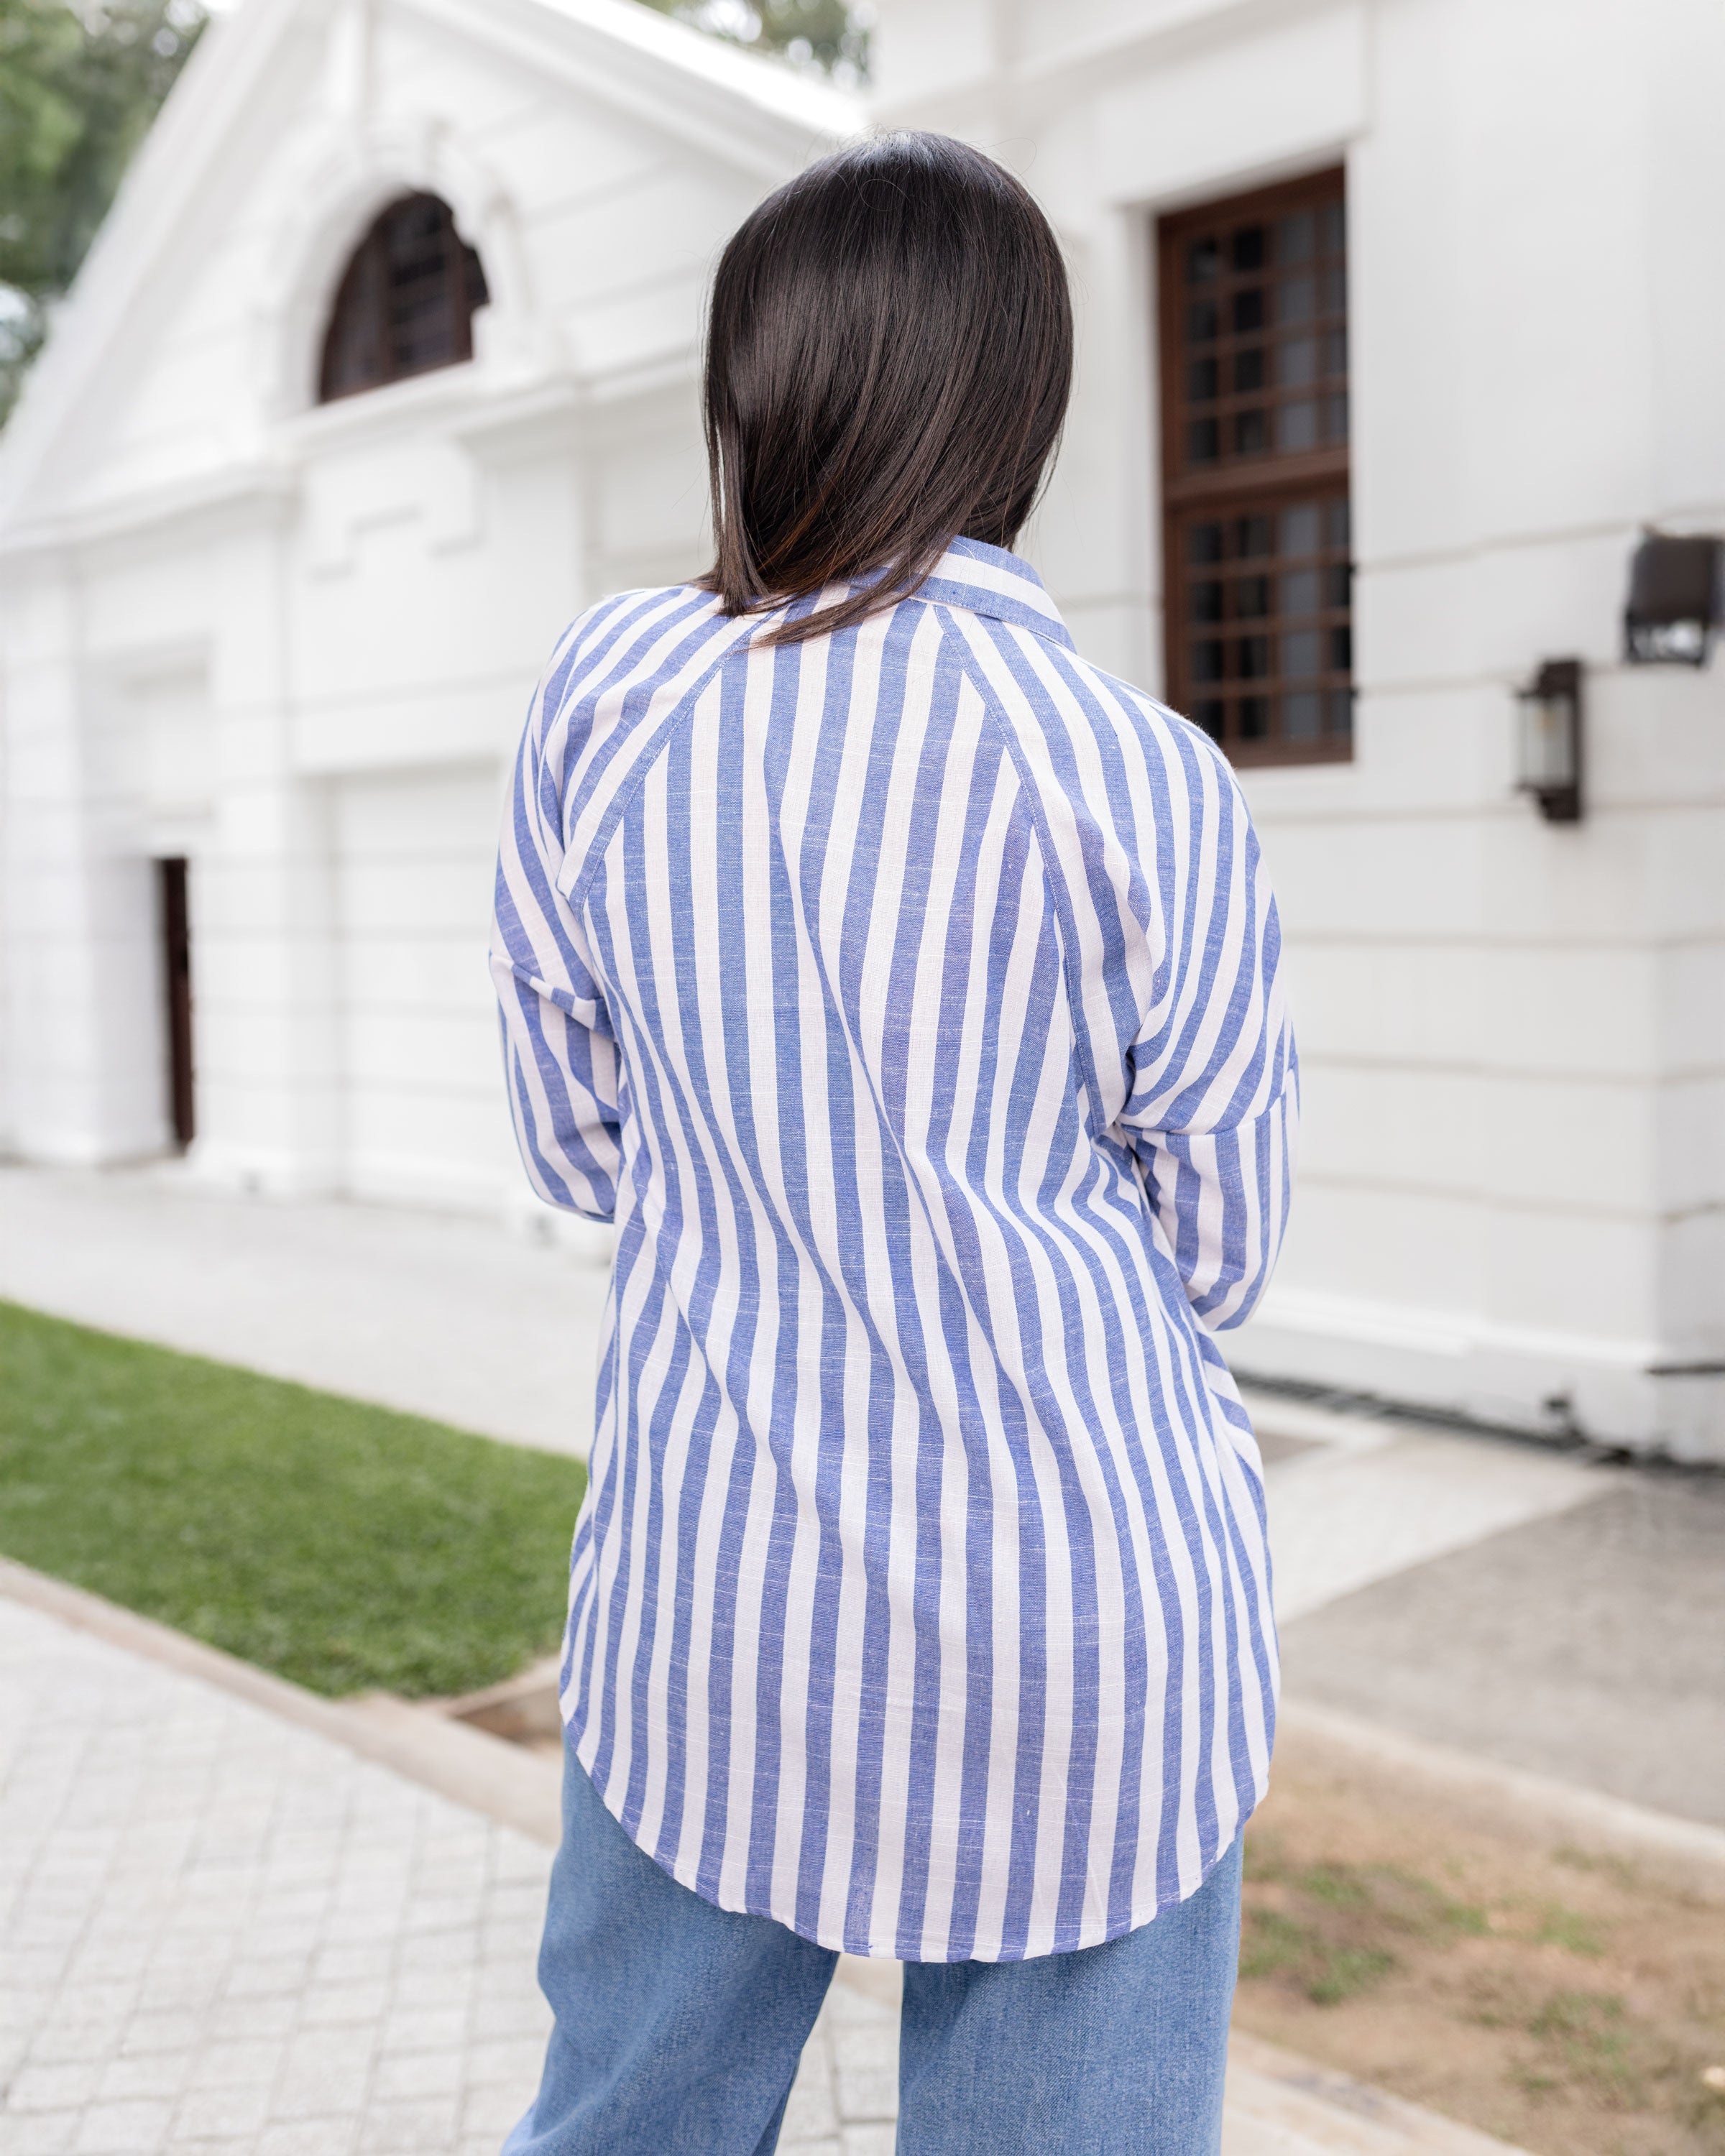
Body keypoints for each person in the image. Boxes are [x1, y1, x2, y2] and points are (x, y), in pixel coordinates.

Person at [490, 129, 1296, 2156]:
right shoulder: (1147, 777)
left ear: (751, 386)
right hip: (1084, 1616)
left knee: (627, 2124)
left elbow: (579, 1144)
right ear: (1017, 400)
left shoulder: (615, 693)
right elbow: (1220, 1245)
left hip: (717, 1600)